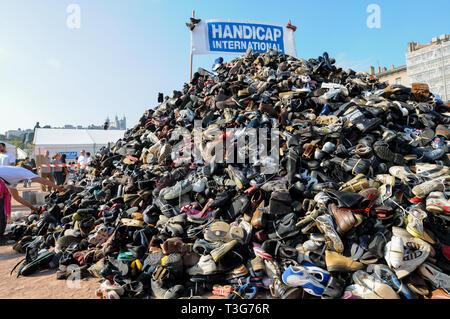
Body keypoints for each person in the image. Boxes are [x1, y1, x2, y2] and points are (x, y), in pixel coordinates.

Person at [0, 166, 63, 241]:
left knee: (1, 211)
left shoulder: (12, 177)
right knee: (1, 213)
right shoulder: (24, 171)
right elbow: (43, 181)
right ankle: (0, 238)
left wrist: (32, 207)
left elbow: (17, 197)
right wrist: (58, 187)